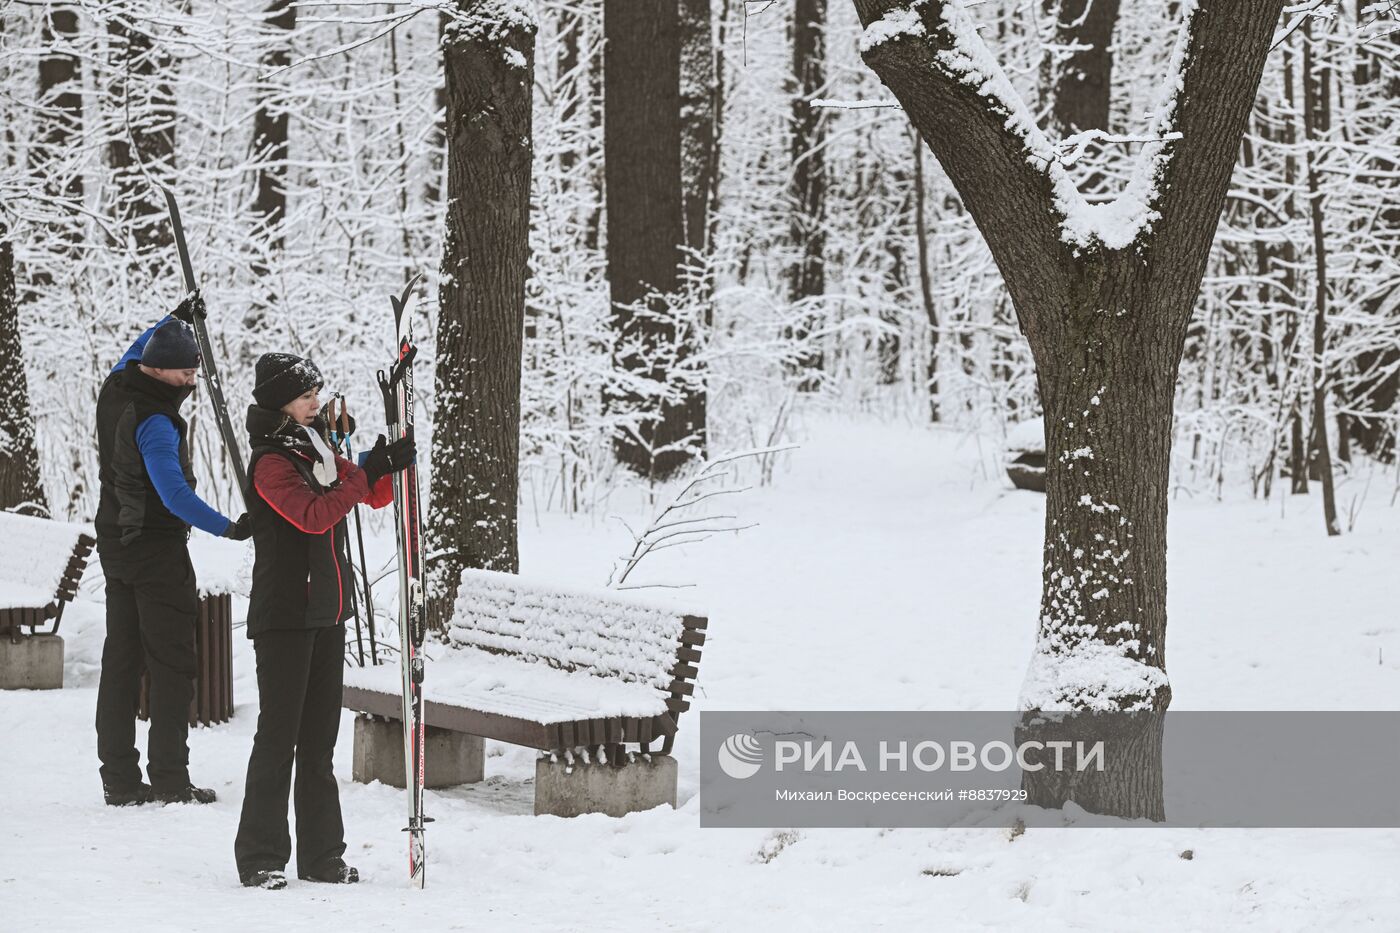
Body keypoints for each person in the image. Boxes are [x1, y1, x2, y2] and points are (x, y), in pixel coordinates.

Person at [233, 352, 413, 890]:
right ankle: (261, 857)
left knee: (318, 742)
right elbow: (315, 516)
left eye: (316, 391)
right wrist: (361, 474)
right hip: (285, 615)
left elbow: (362, 497)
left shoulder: (317, 446)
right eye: (305, 393)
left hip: (329, 610)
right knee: (278, 738)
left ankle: (322, 857)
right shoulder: (270, 462)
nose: (316, 399)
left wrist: (380, 466)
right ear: (280, 402)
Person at [95, 303, 251, 808]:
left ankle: (118, 779)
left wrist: (173, 319)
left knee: (120, 660)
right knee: (171, 664)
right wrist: (229, 527)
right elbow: (174, 495)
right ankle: (169, 778)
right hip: (155, 551)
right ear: (158, 370)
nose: (191, 378)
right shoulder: (156, 422)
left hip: (115, 543)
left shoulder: (117, 387)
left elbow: (137, 350)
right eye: (185, 369)